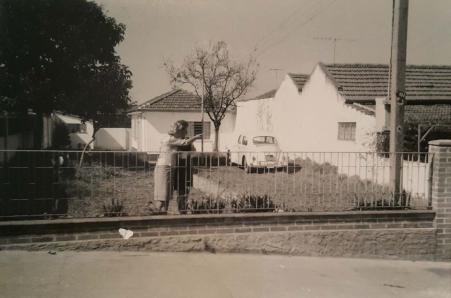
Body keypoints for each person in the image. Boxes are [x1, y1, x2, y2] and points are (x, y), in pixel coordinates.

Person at [153, 120, 202, 213]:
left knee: (177, 194)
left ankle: (179, 212)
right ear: (179, 130)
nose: (186, 132)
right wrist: (195, 138)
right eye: (185, 130)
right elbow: (185, 144)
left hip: (181, 171)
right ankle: (159, 215)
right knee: (163, 196)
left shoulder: (180, 140)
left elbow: (193, 152)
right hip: (169, 169)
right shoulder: (173, 140)